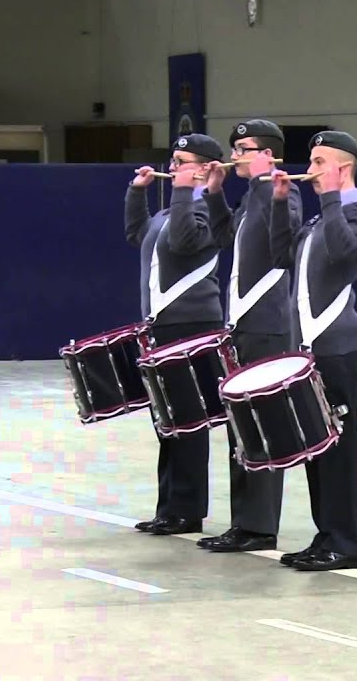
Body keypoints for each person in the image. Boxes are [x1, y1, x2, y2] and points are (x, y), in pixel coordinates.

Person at [268, 131, 357, 571]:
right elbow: (280, 257)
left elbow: (346, 253)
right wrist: (279, 205)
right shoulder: (316, 222)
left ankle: (345, 543)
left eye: (318, 162)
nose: (310, 169)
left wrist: (331, 198)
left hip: (336, 347)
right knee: (316, 445)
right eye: (310, 161)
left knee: (339, 447)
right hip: (307, 348)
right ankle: (325, 534)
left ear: (342, 168)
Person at [196, 119, 302, 553]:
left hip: (267, 325)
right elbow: (222, 237)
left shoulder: (282, 192)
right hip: (242, 324)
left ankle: (259, 525)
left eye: (243, 148)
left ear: (268, 155)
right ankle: (244, 521)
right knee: (241, 428)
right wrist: (216, 193)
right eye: (234, 147)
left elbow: (288, 242)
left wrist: (274, 196)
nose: (234, 154)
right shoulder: (250, 197)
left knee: (262, 427)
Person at [124, 133, 226, 536]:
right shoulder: (173, 210)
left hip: (192, 322)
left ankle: (187, 508)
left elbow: (186, 241)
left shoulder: (204, 211)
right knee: (166, 419)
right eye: (173, 158)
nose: (173, 165)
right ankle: (168, 506)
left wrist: (184, 191)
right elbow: (138, 234)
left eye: (181, 160)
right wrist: (137, 192)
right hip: (163, 323)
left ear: (203, 168)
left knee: (187, 418)